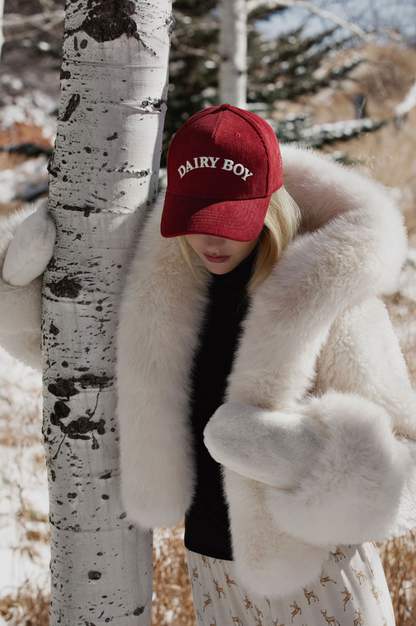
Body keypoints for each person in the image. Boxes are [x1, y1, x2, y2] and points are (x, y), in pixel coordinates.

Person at [1, 104, 416, 625]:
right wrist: (19, 291)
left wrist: (299, 457)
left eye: (229, 222)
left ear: (270, 204)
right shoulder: (163, 292)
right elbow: (84, 365)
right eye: (195, 221)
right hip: (211, 567)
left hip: (321, 573)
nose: (210, 240)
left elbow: (406, 461)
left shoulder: (329, 299)